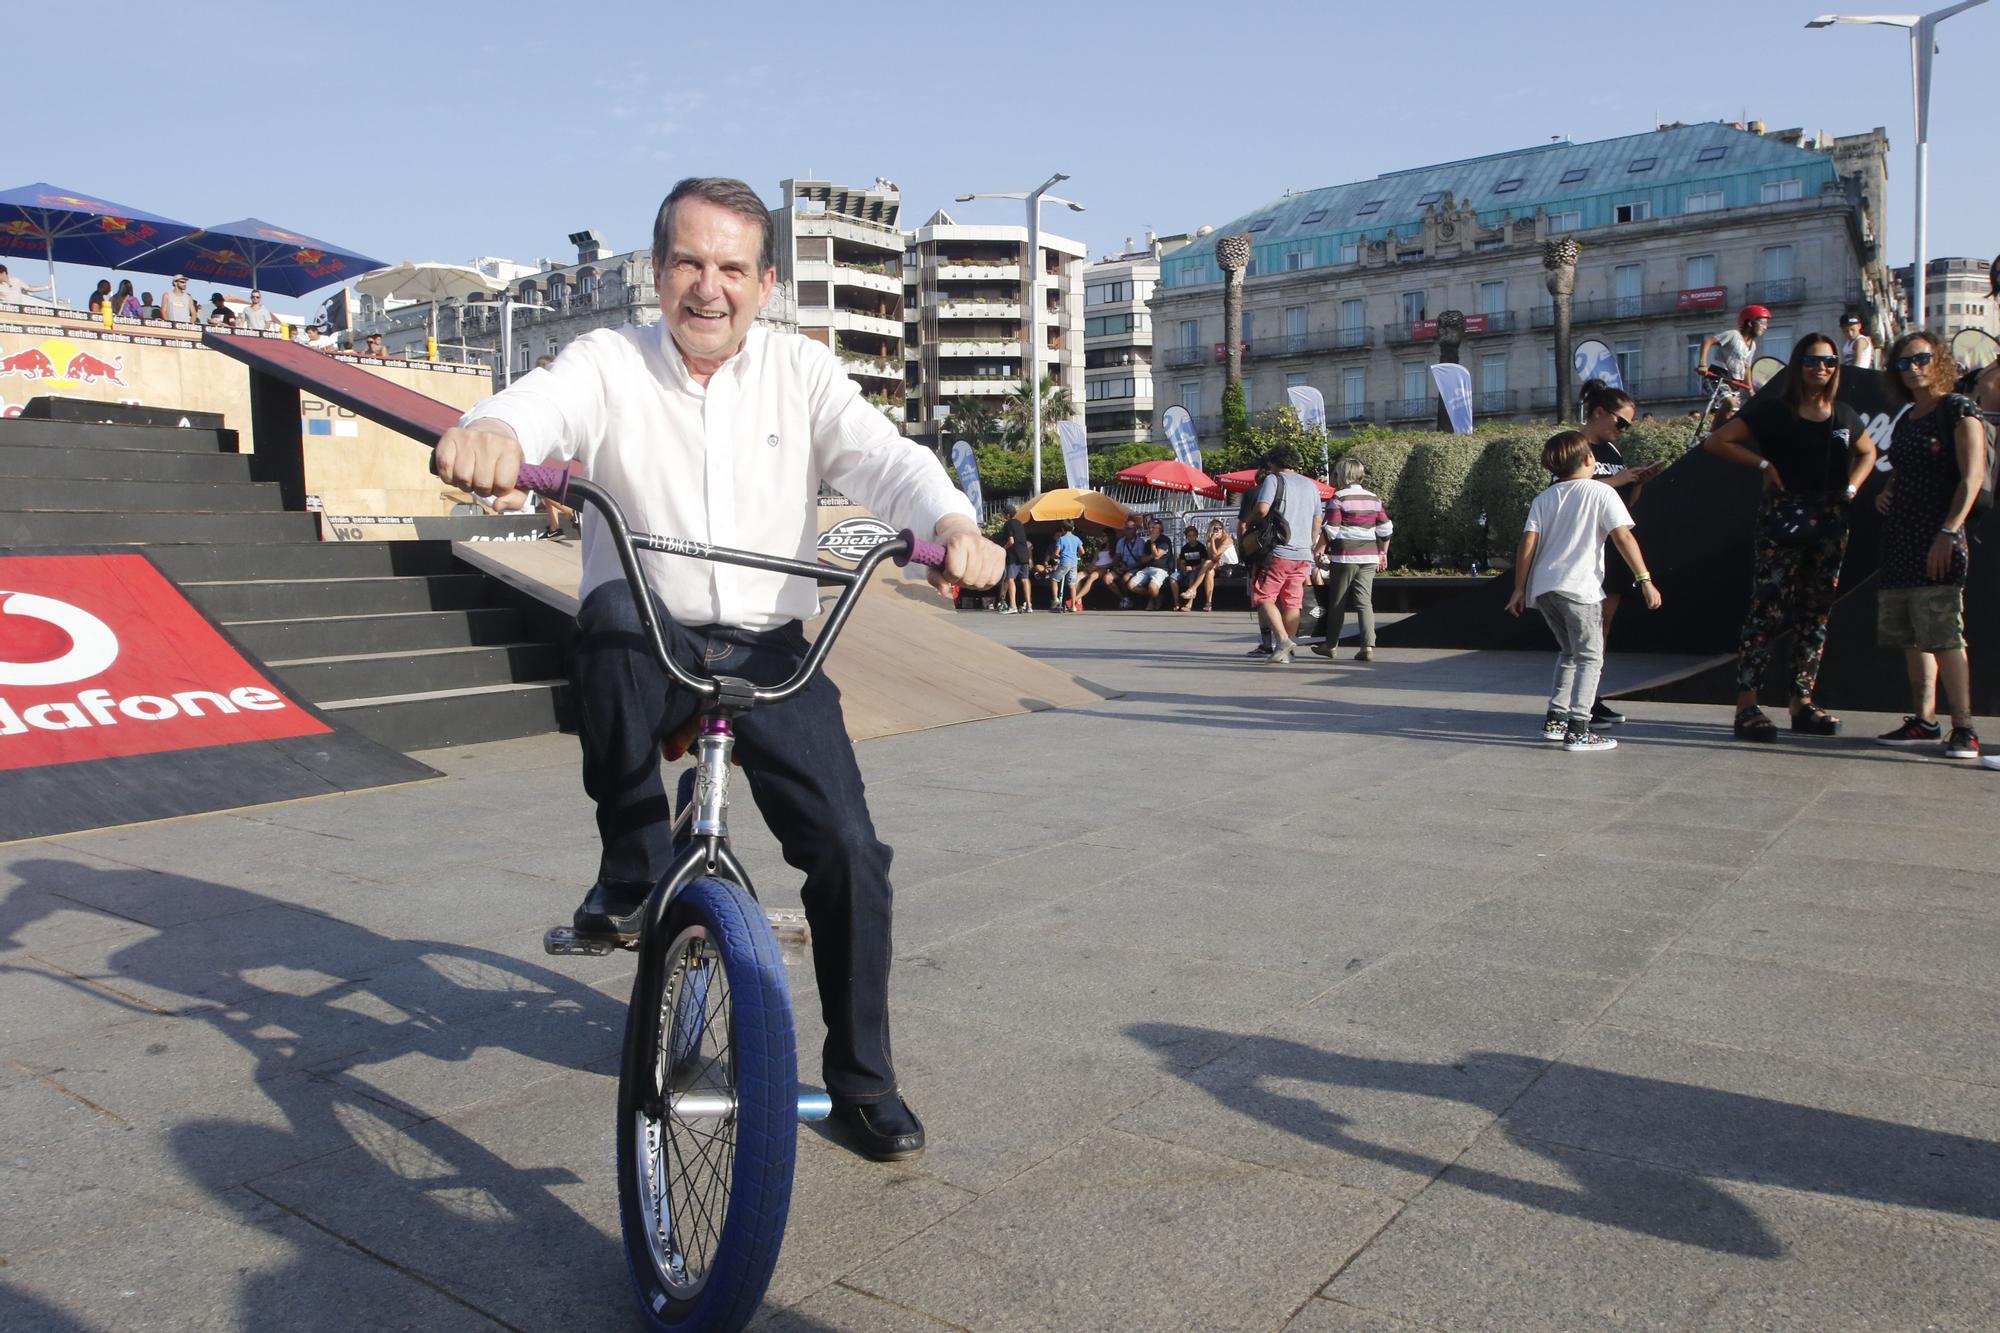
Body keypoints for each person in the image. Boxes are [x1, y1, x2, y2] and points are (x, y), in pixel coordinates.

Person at [433, 176, 1001, 1162]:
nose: (709, 287)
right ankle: (630, 864)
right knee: (605, 620)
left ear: (765, 280)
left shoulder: (802, 371)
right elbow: (540, 404)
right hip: (648, 629)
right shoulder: (607, 361)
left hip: (769, 640)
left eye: (732, 267)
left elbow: (884, 459)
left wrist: (951, 522)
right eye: (689, 262)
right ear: (658, 272)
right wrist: (496, 433)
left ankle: (863, 1080)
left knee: (852, 854)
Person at [1703, 334, 1878, 741]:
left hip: (1832, 521)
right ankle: (1747, 706)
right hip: (1783, 517)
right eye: (1814, 361)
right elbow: (1718, 440)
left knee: (1815, 613)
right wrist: (1764, 463)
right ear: (1798, 365)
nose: (1822, 368)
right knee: (1766, 609)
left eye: (1831, 361)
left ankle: (1802, 703)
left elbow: (1867, 452)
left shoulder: (1844, 414)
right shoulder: (1776, 411)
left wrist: (1852, 487)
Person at [1505, 430, 1662, 752]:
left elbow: (1527, 545)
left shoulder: (1544, 498)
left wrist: (1519, 588)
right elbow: (1624, 538)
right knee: (1591, 657)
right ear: (1590, 459)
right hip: (1579, 588)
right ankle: (1579, 728)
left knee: (1568, 654)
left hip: (1545, 589)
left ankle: (1555, 720)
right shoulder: (1601, 493)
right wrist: (1644, 579)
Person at [1872, 331, 1986, 759]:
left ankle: (1965, 727)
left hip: (1938, 537)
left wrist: (1947, 531)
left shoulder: (1957, 408)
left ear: (1937, 360)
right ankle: (1925, 721)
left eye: (1920, 359)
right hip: (1901, 537)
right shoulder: (1907, 416)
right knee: (1913, 637)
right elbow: (1903, 466)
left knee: (1943, 634)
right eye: (1903, 363)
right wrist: (1889, 489)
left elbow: (1971, 477)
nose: (1913, 368)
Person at [1565, 380, 1666, 723]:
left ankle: (1591, 697)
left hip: (1611, 547)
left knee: (1603, 627)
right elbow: (1567, 491)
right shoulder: (1576, 446)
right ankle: (1575, 702)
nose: (1623, 430)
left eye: (1628, 425)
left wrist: (1637, 482)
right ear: (1598, 413)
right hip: (1583, 549)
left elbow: (1621, 506)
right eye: (1620, 422)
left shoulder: (1612, 452)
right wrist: (1618, 481)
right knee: (1584, 631)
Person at [1310, 456, 1394, 662]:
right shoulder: (1374, 498)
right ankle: (1367, 646)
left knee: (1337, 601)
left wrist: (1318, 551)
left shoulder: (1338, 498)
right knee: (1364, 602)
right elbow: (1386, 528)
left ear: (1342, 475)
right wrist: (1383, 553)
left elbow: (1331, 529)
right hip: (1369, 556)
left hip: (1345, 556)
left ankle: (1330, 645)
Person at [1249, 445, 1320, 663]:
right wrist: (1310, 542)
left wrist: (1250, 521)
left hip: (1279, 551)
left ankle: (1282, 640)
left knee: (1264, 597)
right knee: (1293, 602)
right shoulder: (1311, 485)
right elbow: (1318, 518)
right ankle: (1286, 650)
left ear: (1273, 463)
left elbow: (1262, 509)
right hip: (1303, 553)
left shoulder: (1273, 480)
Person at [1699, 304, 1771, 411]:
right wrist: (1702, 364)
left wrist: (1751, 391)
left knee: (1732, 415)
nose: (1765, 327)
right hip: (1717, 378)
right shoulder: (1733, 335)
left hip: (1734, 384)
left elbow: (1747, 369)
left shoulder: (1753, 345)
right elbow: (1708, 341)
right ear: (1750, 323)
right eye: (1762, 323)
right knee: (1729, 403)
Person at [1127, 516, 1178, 609]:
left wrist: (1153, 544)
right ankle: (1157, 596)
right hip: (1148, 568)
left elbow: (1157, 555)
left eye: (1153, 527)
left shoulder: (1165, 540)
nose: (1151, 529)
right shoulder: (1147, 542)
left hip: (1161, 569)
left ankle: (1154, 596)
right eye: (1150, 527)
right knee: (1131, 585)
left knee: (1153, 588)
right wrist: (1151, 555)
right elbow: (1143, 559)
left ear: (1160, 528)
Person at [1189, 517, 1237, 612]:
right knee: (1209, 572)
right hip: (1219, 566)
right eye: (1215, 529)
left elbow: (1214, 556)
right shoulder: (1211, 541)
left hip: (1231, 568)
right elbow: (1212, 557)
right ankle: (1208, 603)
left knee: (1207, 563)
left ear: (1223, 529)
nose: (1218, 531)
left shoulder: (1227, 540)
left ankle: (1193, 588)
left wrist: (1212, 541)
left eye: (1220, 528)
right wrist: (1211, 542)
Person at [997, 502, 1035, 614]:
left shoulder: (1008, 524)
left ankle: (1013, 606)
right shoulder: (1020, 523)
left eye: (1003, 514)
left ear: (1007, 515)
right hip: (1024, 554)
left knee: (1010, 579)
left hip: (1014, 555)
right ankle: (1029, 605)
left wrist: (1003, 548)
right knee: (1025, 579)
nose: (1003, 516)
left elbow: (1011, 541)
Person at [1050, 520, 1083, 612]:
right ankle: (1073, 606)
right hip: (1074, 562)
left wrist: (1056, 556)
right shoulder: (1076, 539)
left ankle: (1056, 599)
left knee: (1054, 579)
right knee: (1072, 584)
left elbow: (1056, 553)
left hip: (1064, 562)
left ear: (1062, 529)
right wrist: (1077, 555)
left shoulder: (1061, 539)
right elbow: (1082, 551)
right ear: (1073, 528)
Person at [1172, 524, 1206, 611]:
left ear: (1196, 536)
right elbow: (1182, 562)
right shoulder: (1184, 548)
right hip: (1186, 570)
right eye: (1189, 536)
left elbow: (1203, 563)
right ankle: (1176, 602)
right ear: (1187, 537)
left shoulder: (1201, 547)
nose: (1191, 538)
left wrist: (1193, 568)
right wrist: (1184, 568)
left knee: (1192, 578)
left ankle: (1189, 604)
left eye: (1193, 535)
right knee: (1172, 578)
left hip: (1196, 570)